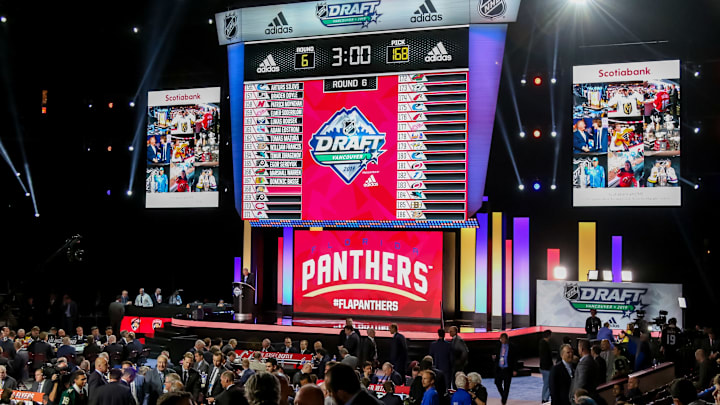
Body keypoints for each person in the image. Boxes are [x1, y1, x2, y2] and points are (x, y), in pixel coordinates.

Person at [494, 333, 516, 405]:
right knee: (497, 383)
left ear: (507, 339)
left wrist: (514, 369)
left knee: (506, 386)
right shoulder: (498, 345)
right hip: (499, 368)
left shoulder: (512, 346)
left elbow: (514, 359)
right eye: (501, 339)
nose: (502, 340)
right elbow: (495, 354)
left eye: (503, 339)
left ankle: (504, 401)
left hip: (507, 369)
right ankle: (503, 396)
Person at [538, 330, 553, 404]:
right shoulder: (545, 344)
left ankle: (544, 398)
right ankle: (545, 398)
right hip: (547, 367)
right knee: (550, 384)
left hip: (543, 367)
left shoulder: (541, 343)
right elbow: (547, 357)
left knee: (546, 384)